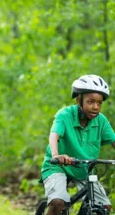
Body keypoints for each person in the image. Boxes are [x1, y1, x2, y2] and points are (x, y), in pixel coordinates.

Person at [40, 74, 115, 215]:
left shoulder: (101, 121)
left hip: (84, 169)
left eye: (99, 103)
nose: (95, 107)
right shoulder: (65, 115)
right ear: (79, 100)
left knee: (104, 207)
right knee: (57, 202)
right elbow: (54, 135)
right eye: (91, 102)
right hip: (58, 165)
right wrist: (57, 155)